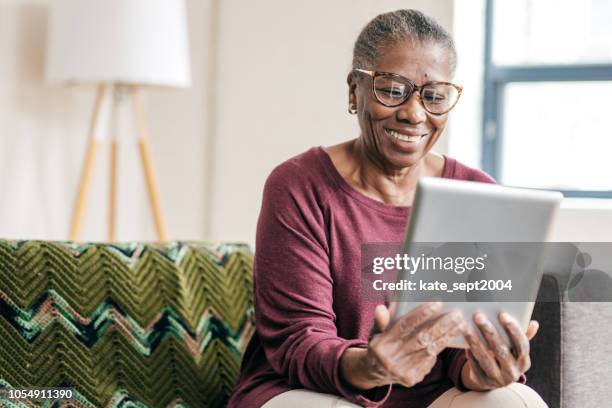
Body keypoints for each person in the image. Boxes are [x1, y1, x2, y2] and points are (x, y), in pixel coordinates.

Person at [228, 9, 548, 408]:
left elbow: (461, 345)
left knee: (514, 400)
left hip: (433, 397)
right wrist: (372, 367)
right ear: (353, 90)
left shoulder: (476, 192)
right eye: (393, 89)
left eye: (434, 96)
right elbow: (298, 341)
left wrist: (481, 368)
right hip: (313, 391)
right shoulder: (299, 185)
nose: (415, 114)